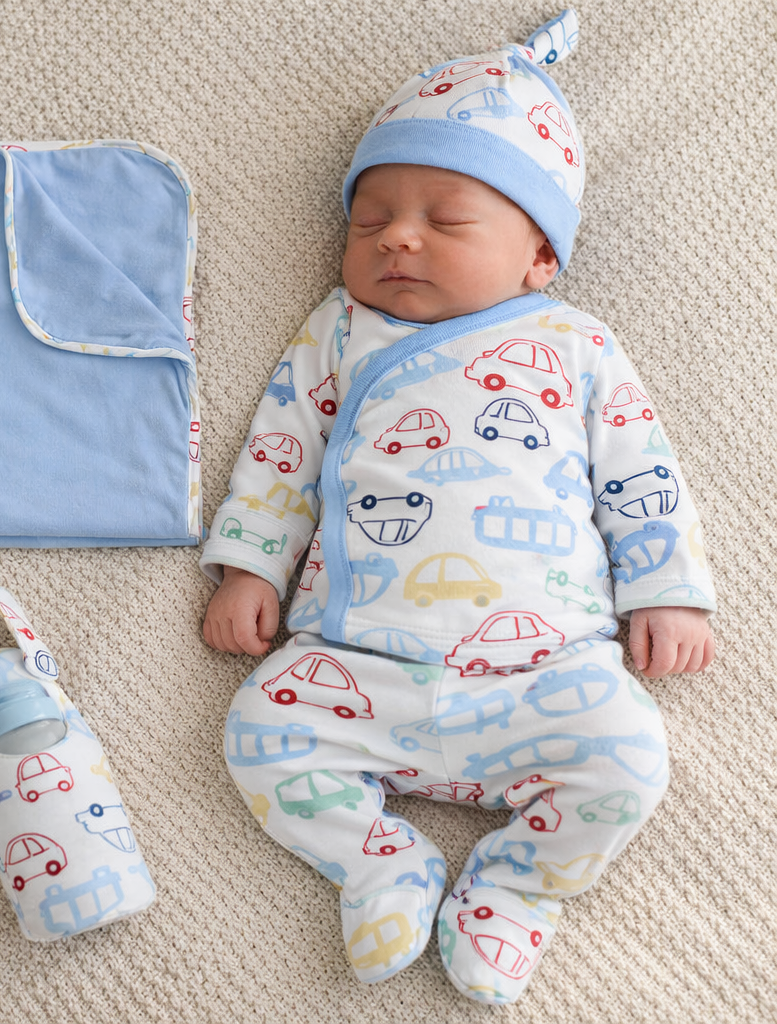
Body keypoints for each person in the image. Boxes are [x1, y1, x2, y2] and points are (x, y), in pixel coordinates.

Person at [200, 9, 715, 1004]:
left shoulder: (575, 345)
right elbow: (280, 448)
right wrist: (251, 563)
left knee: (628, 759)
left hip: (544, 669)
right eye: (369, 218)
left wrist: (666, 591)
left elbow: (640, 474)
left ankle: (517, 886)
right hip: (357, 658)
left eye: (445, 220)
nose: (396, 237)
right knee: (259, 727)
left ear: (536, 258)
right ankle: (375, 861)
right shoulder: (340, 334)